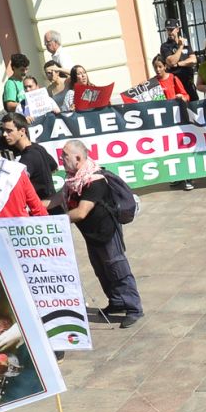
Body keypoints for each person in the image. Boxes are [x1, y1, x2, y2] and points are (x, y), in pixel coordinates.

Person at [58, 138, 143, 327]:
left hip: (107, 233)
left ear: (78, 158)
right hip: (92, 234)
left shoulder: (94, 181)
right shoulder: (73, 181)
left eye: (64, 155)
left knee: (117, 268)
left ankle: (133, 308)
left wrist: (54, 220)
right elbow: (57, 199)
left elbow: (81, 212)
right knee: (102, 270)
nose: (61, 159)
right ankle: (117, 302)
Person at [0, 110, 59, 200]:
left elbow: (13, 186)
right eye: (3, 130)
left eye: (9, 131)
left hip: (43, 208)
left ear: (22, 131)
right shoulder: (38, 147)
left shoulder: (28, 157)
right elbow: (54, 167)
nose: (4, 134)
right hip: (51, 204)